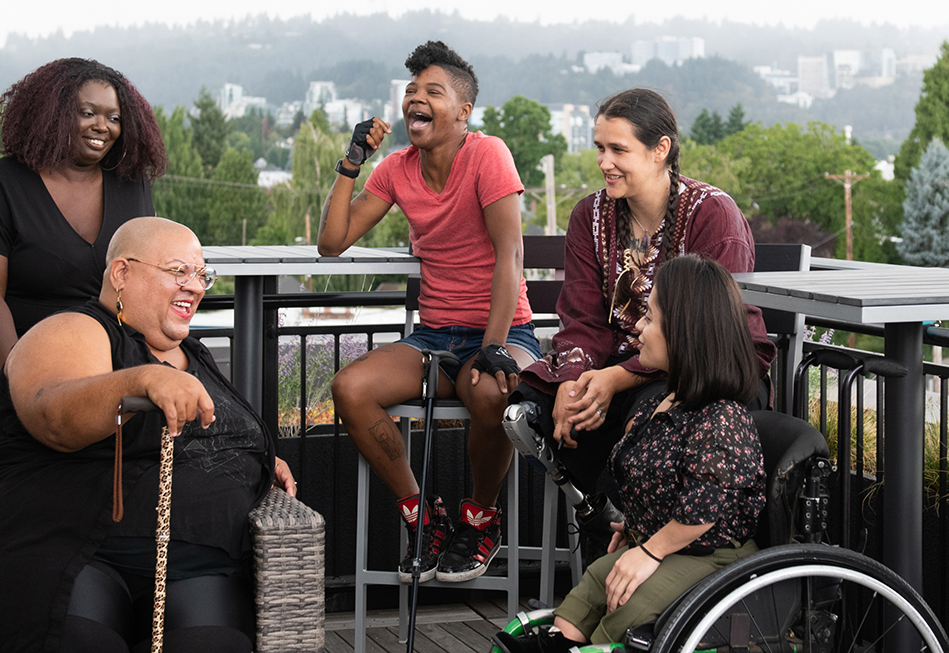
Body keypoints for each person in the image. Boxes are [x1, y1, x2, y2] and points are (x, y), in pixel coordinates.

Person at [0, 218, 295, 653]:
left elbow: (207, 429)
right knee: (83, 642)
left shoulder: (191, 353)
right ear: (122, 272)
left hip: (197, 564)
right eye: (179, 271)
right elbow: (54, 417)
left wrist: (253, 458)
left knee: (216, 644)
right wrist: (143, 379)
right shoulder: (76, 329)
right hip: (83, 551)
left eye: (202, 275)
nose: (196, 287)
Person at [318, 41, 541, 583]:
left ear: (463, 112)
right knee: (350, 389)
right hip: (434, 339)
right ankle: (423, 518)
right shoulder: (396, 168)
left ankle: (481, 518)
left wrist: (492, 345)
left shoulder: (488, 155)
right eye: (412, 91)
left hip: (504, 330)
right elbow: (332, 242)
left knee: (491, 389)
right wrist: (352, 163)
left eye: (432, 92)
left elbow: (510, 257)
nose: (416, 99)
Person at [495, 254, 767, 652]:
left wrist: (650, 550)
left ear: (686, 333)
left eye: (651, 318)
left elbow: (703, 511)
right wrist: (637, 526)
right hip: (666, 540)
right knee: (594, 584)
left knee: (629, 601)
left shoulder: (722, 418)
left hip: (716, 555)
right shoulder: (663, 402)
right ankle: (557, 641)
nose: (638, 326)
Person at [513, 87, 775, 498]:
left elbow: (709, 334)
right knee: (534, 401)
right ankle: (599, 511)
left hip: (701, 370)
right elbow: (582, 319)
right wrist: (572, 380)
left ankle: (621, 524)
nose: (604, 162)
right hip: (613, 366)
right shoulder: (589, 215)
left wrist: (615, 379)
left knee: (650, 413)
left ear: (660, 149)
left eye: (618, 149)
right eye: (599, 148)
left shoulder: (712, 214)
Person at [0, 57, 167, 450]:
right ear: (54, 114)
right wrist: (20, 376)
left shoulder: (132, 187)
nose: (102, 127)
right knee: (21, 434)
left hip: (90, 349)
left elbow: (143, 280)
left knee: (138, 430)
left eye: (114, 117)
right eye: (87, 112)